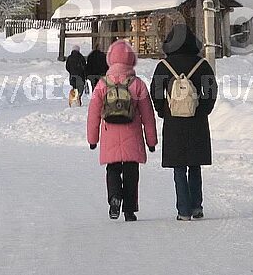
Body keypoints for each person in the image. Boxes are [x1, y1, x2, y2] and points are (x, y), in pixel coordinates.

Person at [151, 24, 217, 221]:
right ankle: (197, 207)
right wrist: (203, 110)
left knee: (179, 167)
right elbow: (211, 91)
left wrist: (163, 110)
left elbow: (155, 91)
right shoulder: (202, 64)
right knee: (195, 165)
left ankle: (183, 210)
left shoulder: (164, 66)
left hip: (174, 123)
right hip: (197, 122)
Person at [87, 40, 158, 221]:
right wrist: (151, 141)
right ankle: (129, 210)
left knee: (112, 170)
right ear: (131, 60)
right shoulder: (138, 84)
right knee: (131, 173)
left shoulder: (102, 84)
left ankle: (114, 197)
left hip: (110, 134)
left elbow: (93, 114)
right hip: (132, 135)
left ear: (110, 59)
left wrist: (92, 139)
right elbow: (147, 115)